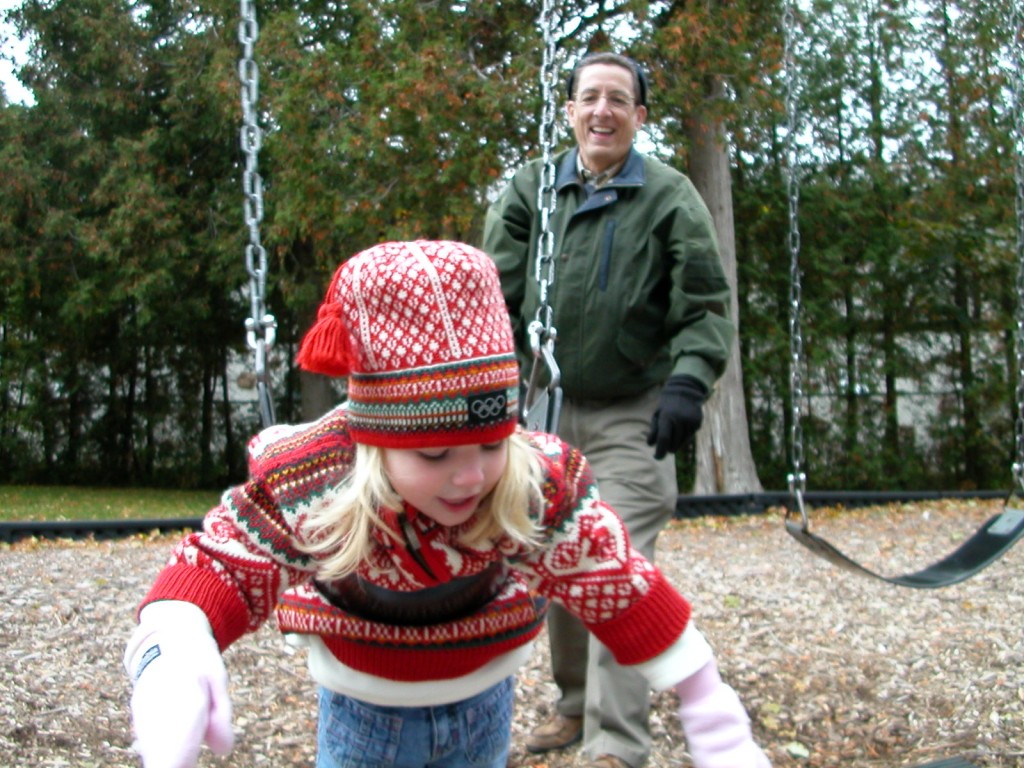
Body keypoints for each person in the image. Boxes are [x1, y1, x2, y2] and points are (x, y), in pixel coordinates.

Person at [122, 240, 765, 768]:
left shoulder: (528, 483)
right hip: (362, 717)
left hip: (486, 702)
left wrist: (706, 699)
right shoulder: (321, 480)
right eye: (433, 455)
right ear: (374, 443)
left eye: (490, 444)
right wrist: (172, 646)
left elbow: (616, 580)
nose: (469, 478)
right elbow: (224, 563)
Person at [482, 53, 735, 768]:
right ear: (569, 111)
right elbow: (492, 294)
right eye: (589, 98)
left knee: (616, 559)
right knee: (555, 557)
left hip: (633, 410)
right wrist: (487, 392)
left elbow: (706, 304)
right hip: (545, 405)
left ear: (639, 116)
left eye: (618, 100)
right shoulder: (533, 190)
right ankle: (573, 704)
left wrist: (688, 383)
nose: (602, 111)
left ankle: (616, 741)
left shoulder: (669, 196)